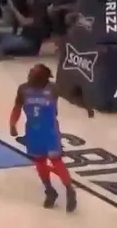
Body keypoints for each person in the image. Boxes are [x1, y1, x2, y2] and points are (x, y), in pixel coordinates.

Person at [10, 63, 83, 211]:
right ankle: (49, 190)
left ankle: (70, 190)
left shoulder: (53, 88)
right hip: (33, 131)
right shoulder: (23, 89)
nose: (29, 75)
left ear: (42, 77)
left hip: (50, 130)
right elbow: (17, 107)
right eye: (30, 72)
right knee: (40, 161)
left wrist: (85, 105)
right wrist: (12, 124)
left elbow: (72, 97)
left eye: (33, 73)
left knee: (56, 160)